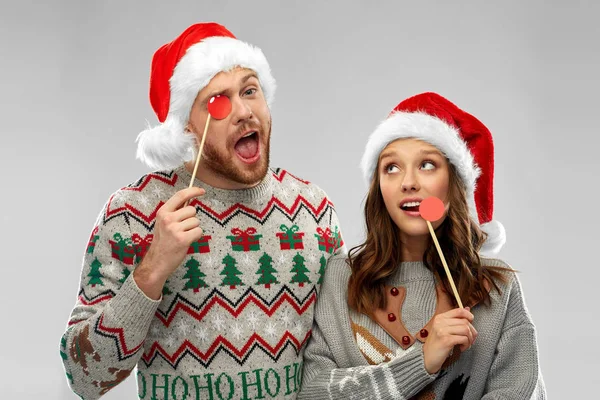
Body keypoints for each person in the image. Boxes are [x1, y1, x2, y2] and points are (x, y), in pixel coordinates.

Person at [59, 22, 345, 400]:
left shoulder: (315, 211)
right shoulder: (130, 213)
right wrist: (151, 271)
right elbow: (85, 378)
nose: (244, 111)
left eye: (250, 91)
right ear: (186, 127)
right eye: (218, 102)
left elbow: (342, 358)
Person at [298, 92, 546, 399]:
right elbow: (314, 391)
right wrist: (422, 361)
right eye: (391, 167)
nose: (408, 182)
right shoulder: (341, 277)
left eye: (427, 165)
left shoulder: (499, 286)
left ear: (454, 184)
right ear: (380, 187)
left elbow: (520, 391)